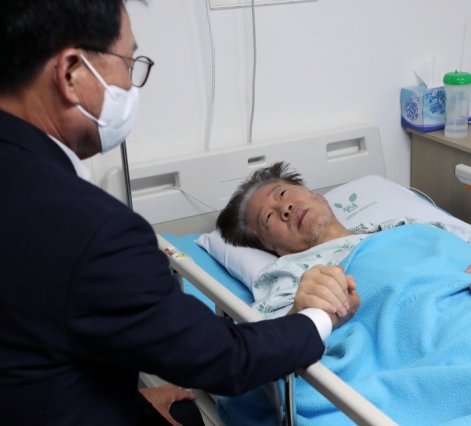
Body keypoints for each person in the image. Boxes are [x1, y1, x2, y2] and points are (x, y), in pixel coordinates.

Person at [0, 2, 358, 425]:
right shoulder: (92, 231)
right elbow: (225, 360)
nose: (132, 85)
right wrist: (315, 314)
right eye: (128, 64)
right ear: (72, 73)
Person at [217, 162, 471, 318]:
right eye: (269, 218)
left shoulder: (402, 226)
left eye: (283, 194)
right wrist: (300, 312)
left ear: (313, 193)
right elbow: (261, 347)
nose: (284, 208)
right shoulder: (294, 272)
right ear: (271, 248)